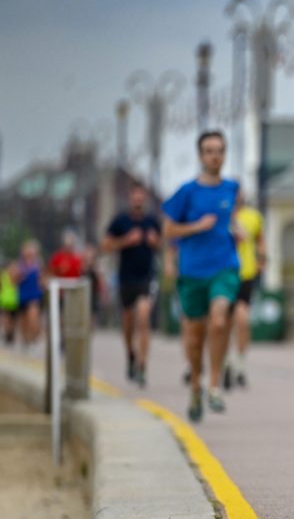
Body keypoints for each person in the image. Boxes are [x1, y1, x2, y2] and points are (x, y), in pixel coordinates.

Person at [162, 130, 241, 422]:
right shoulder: (186, 192)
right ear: (200, 155)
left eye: (219, 150)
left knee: (220, 320)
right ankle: (195, 385)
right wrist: (196, 227)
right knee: (194, 340)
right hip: (193, 271)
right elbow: (168, 231)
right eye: (209, 151)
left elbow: (233, 218)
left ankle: (215, 384)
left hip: (224, 266)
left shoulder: (233, 188)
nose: (215, 156)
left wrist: (237, 230)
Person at [103, 184, 161, 385]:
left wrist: (156, 243)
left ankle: (143, 365)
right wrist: (125, 241)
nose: (138, 199)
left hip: (146, 277)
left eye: (140, 196)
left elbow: (165, 245)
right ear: (129, 198)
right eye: (134, 196)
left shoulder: (152, 221)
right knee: (128, 321)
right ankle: (130, 354)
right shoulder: (120, 221)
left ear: (144, 198)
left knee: (144, 316)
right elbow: (105, 245)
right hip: (126, 278)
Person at [229, 193, 265, 388]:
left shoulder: (253, 216)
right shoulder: (220, 214)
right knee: (221, 321)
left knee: (242, 320)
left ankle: (240, 364)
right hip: (222, 273)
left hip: (245, 273)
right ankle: (224, 361)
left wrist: (262, 258)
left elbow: (260, 239)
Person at [14, 240, 43, 350]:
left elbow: (42, 280)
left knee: (33, 319)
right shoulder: (20, 265)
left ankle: (34, 339)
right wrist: (19, 276)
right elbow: (14, 280)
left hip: (34, 296)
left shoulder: (37, 264)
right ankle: (26, 341)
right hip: (22, 295)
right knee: (24, 321)